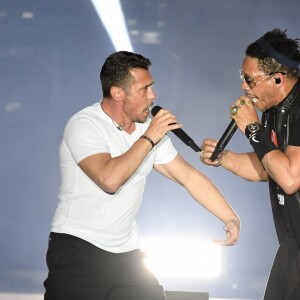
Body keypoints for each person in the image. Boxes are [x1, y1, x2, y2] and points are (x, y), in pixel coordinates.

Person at [43, 51, 240, 300]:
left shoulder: (148, 130)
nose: (153, 96)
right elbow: (109, 180)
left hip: (127, 252)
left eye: (152, 87)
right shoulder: (84, 125)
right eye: (144, 89)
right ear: (118, 93)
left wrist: (230, 217)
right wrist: (149, 137)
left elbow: (189, 177)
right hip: (78, 248)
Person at [200, 29, 300, 300]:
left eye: (249, 79)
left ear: (277, 78)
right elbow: (269, 167)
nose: (244, 86)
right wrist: (225, 158)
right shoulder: (271, 111)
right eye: (242, 77)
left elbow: (290, 178)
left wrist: (253, 129)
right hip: (293, 242)